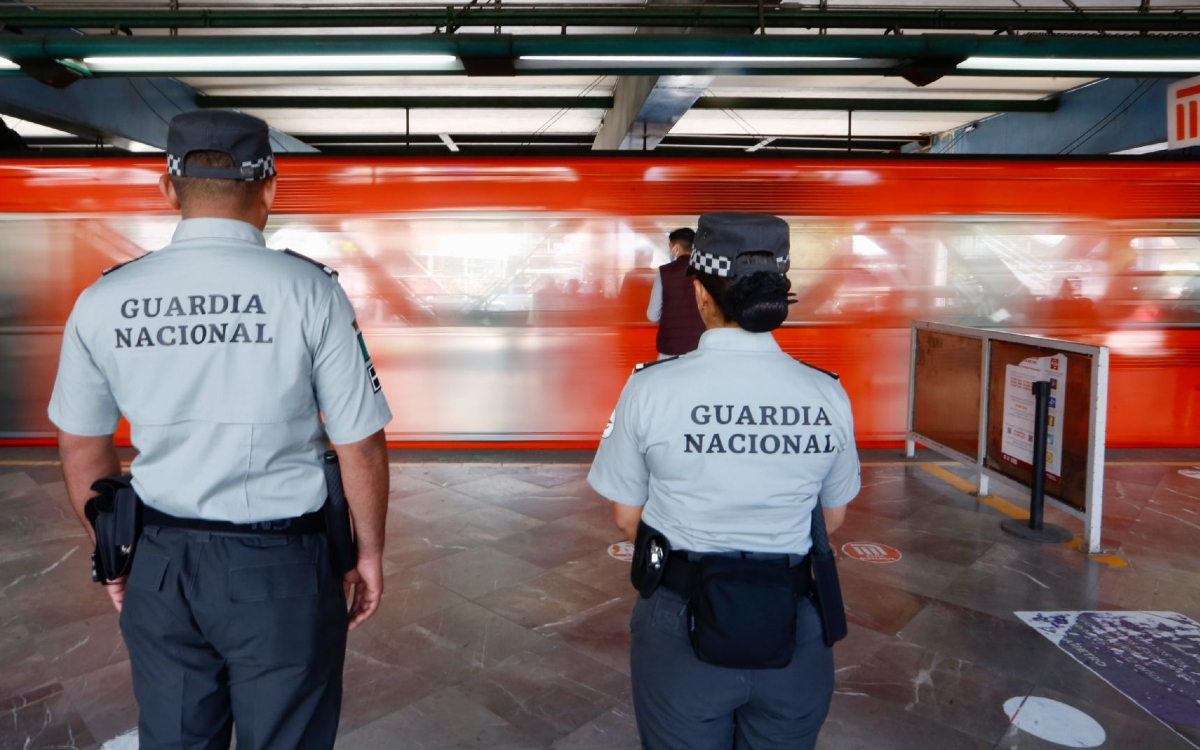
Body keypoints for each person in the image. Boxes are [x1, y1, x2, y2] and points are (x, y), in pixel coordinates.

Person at [47, 110, 393, 750]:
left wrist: (113, 546)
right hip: (284, 571)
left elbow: (82, 445)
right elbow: (359, 442)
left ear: (168, 189)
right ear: (269, 188)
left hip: (160, 564)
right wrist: (366, 552)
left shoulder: (104, 300)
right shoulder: (310, 291)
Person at [588, 212, 860, 750]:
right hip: (795, 625)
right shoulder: (827, 393)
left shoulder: (650, 389)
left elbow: (625, 517)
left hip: (680, 626)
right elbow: (833, 517)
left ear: (702, 296)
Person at [646, 227, 705, 359]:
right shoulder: (706, 272)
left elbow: (652, 315)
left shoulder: (664, 272)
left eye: (670, 247)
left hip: (670, 349)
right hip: (701, 347)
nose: (670, 251)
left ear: (677, 247)